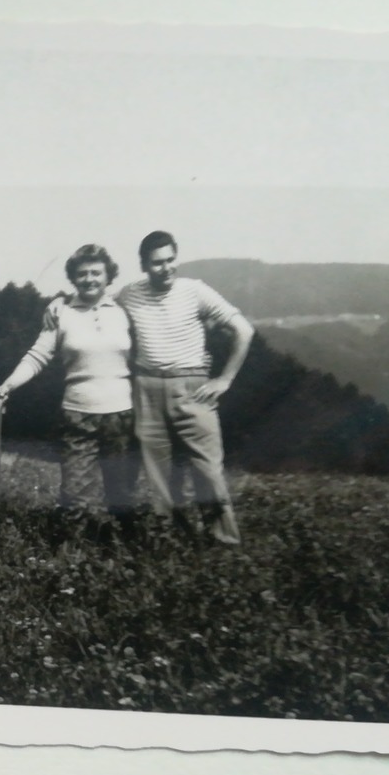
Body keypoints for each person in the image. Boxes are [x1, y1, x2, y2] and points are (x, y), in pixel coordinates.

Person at [114, 230, 254, 545]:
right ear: (143, 265)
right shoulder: (129, 294)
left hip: (192, 387)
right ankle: (170, 540)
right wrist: (61, 310)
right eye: (156, 263)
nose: (165, 268)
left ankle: (223, 541)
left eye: (170, 260)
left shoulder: (195, 291)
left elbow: (243, 330)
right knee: (159, 476)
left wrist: (225, 379)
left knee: (209, 472)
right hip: (146, 389)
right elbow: (101, 314)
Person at [0, 243, 137, 519]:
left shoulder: (124, 310)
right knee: (74, 496)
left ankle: (121, 552)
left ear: (108, 276)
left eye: (96, 272)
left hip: (121, 416)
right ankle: (70, 555)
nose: (90, 279)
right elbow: (37, 356)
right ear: (73, 278)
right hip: (78, 416)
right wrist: (7, 385)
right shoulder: (61, 314)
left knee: (122, 495)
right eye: (82, 274)